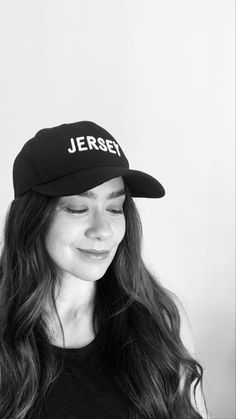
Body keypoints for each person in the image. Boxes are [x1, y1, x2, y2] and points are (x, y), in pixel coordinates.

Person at [0, 121, 209, 419]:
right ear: (32, 217)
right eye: (77, 208)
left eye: (115, 208)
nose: (103, 230)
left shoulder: (160, 315)